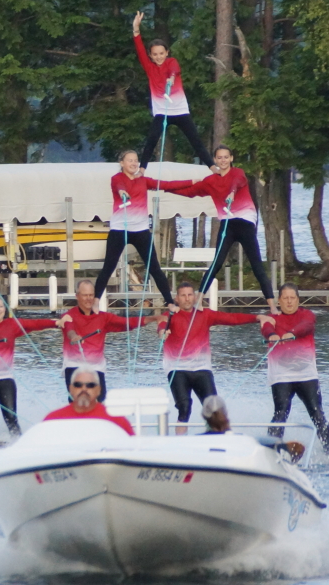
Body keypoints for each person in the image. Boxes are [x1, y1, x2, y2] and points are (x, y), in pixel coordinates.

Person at [163, 145, 279, 314]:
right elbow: (190, 191)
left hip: (245, 222)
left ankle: (273, 307)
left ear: (231, 158)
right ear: (215, 160)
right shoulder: (211, 181)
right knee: (216, 263)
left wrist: (232, 193)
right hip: (227, 224)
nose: (223, 160)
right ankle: (199, 301)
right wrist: (165, 188)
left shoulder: (238, 173)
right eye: (219, 158)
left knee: (257, 267)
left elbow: (237, 182)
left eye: (226, 157)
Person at [158, 282, 273, 433]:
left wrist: (258, 317)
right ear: (177, 299)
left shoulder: (205, 314)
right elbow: (162, 324)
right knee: (184, 408)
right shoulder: (170, 315)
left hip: (201, 369)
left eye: (190, 295)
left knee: (214, 409)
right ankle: (179, 443)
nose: (187, 298)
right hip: (177, 369)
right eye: (183, 295)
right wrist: (162, 332)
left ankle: (217, 437)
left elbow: (231, 318)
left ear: (195, 297)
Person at [93, 149, 194, 305]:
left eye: (136, 160)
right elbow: (119, 185)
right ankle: (94, 302)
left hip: (140, 231)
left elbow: (167, 185)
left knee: (154, 268)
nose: (134, 163)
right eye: (130, 160)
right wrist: (122, 192)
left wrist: (192, 182)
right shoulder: (117, 178)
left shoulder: (143, 180)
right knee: (108, 267)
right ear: (122, 163)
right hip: (120, 230)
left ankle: (169, 303)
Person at [132, 11, 214, 170]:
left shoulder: (172, 62)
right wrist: (136, 29)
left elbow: (174, 70)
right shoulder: (149, 68)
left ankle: (212, 166)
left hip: (180, 110)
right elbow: (140, 49)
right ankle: (142, 169)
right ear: (150, 55)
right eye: (155, 54)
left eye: (161, 53)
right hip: (162, 111)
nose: (158, 57)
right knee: (152, 140)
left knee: (195, 140)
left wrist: (171, 78)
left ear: (167, 52)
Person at [261, 283, 329, 457]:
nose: (289, 302)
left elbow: (306, 326)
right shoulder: (271, 318)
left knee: (317, 413)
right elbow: (266, 328)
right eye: (285, 298)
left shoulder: (307, 315)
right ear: (279, 301)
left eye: (292, 298)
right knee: (280, 412)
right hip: (281, 375)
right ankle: (271, 454)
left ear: (298, 300)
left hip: (306, 374)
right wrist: (272, 335)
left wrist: (292, 333)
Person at [57, 279, 159, 402]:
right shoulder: (68, 316)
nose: (88, 299)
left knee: (100, 402)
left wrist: (154, 318)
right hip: (74, 366)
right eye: (85, 295)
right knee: (78, 403)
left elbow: (127, 322)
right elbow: (69, 329)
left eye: (91, 295)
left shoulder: (103, 317)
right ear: (77, 296)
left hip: (96, 367)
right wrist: (74, 336)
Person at [0, 297, 59, 437]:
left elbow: (35, 323)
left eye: (1, 306)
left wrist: (56, 323)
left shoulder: (11, 324)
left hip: (5, 378)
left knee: (11, 418)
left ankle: (18, 443)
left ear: (5, 308)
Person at [43, 367, 135, 434]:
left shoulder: (116, 420)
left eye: (90, 385)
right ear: (70, 389)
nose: (84, 389)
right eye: (78, 385)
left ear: (99, 390)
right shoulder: (53, 419)